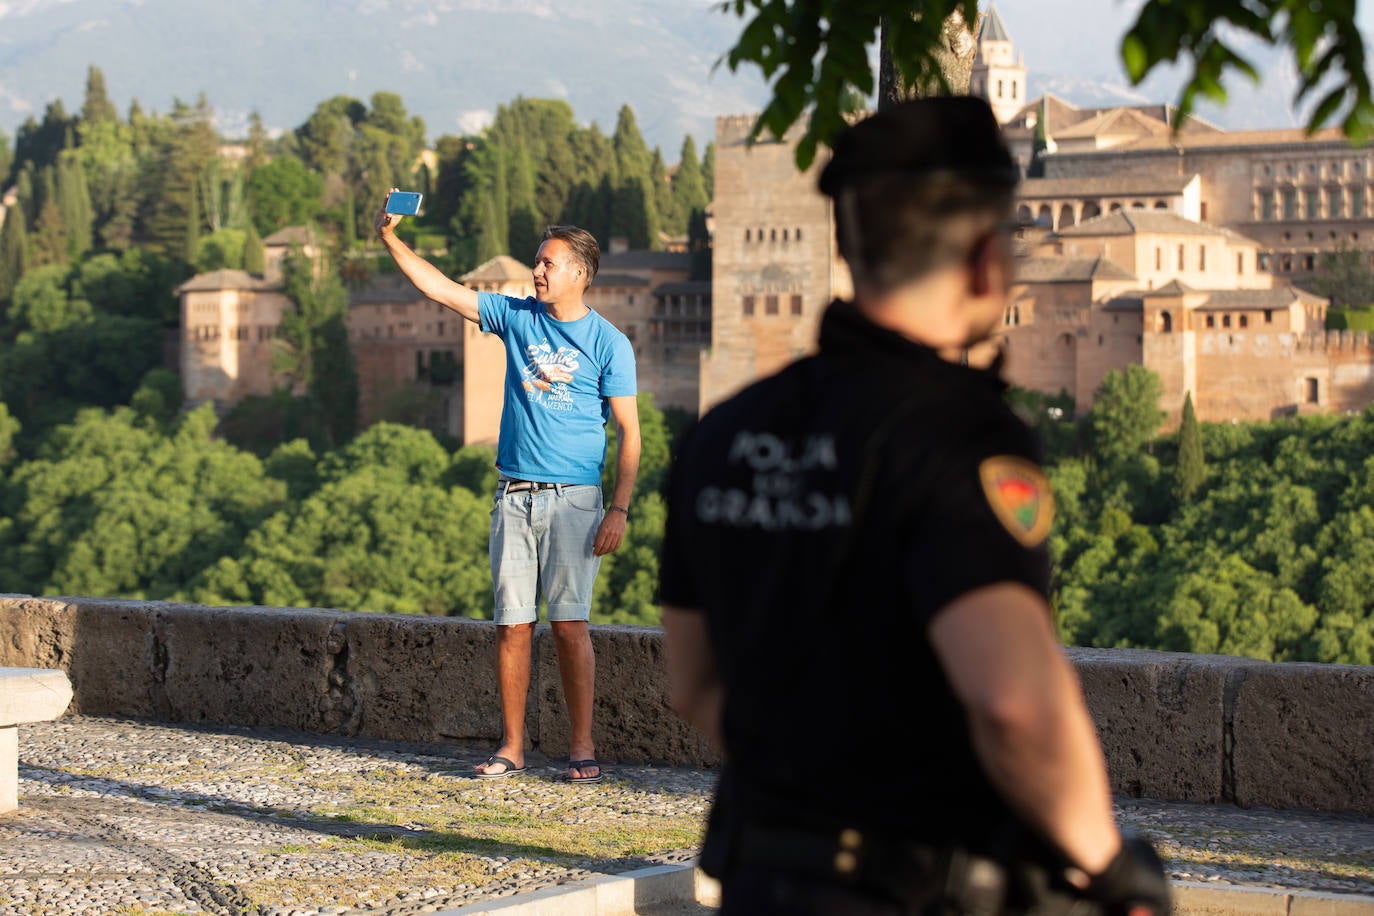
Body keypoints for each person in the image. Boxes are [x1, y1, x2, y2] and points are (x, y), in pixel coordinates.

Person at [658, 98, 1170, 914]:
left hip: (763, 879)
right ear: (985, 261)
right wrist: (1110, 868)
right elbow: (1014, 703)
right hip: (915, 886)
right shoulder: (961, 437)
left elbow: (693, 684)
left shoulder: (720, 434)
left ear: (849, 248)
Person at [376, 201, 640, 784]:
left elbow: (630, 432)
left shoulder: (609, 342)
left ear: (579, 272)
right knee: (512, 625)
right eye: (536, 262)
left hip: (576, 500)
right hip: (513, 496)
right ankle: (512, 747)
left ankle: (582, 745)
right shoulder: (517, 317)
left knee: (570, 625)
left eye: (547, 263)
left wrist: (618, 509)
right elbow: (441, 290)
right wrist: (391, 239)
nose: (536, 272)